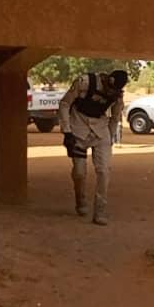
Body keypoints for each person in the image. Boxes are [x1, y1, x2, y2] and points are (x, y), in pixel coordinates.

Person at [58, 69, 128, 225]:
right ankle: (80, 201)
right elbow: (64, 104)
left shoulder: (117, 96)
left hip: (100, 132)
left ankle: (100, 211)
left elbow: (115, 116)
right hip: (78, 129)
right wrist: (67, 131)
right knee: (79, 172)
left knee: (104, 171)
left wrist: (110, 137)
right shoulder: (84, 82)